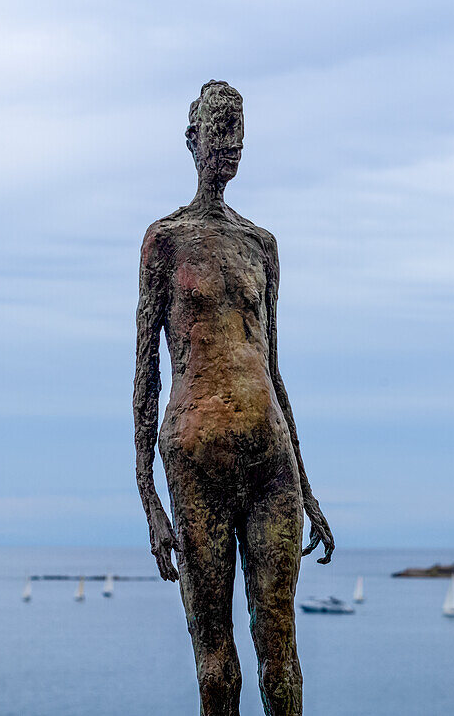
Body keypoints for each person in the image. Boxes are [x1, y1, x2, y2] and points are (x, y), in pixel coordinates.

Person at [132, 80, 334, 716]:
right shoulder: (164, 242)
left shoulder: (261, 247)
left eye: (237, 135)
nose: (228, 147)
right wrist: (149, 497)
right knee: (215, 657)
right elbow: (145, 374)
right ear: (193, 141)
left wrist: (308, 488)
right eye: (218, 133)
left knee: (281, 649)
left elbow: (273, 370)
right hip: (196, 462)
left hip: (270, 457)